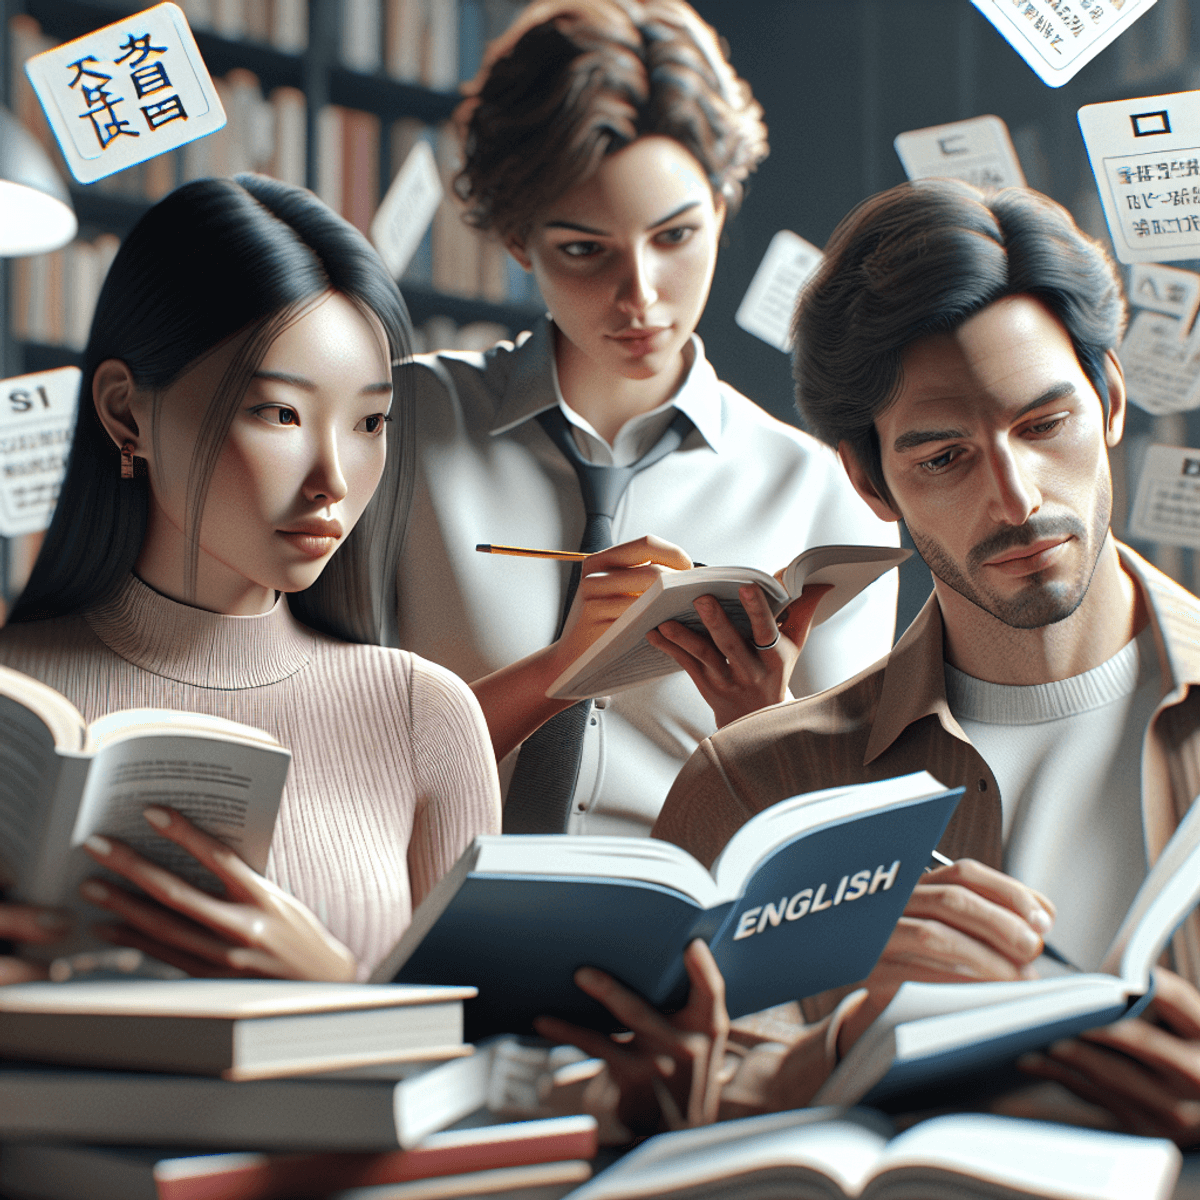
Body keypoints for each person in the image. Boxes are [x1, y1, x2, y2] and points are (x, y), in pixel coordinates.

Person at [551, 178, 1200, 1145]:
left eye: (1042, 425)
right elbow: (618, 1099)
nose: (1017, 499)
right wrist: (847, 1047)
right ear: (868, 479)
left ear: (1109, 400)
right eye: (944, 458)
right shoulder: (751, 782)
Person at [392, 0, 900, 836]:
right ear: (517, 241)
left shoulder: (825, 495)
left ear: (722, 208)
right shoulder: (401, 425)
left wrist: (758, 720)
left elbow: (840, 840)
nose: (640, 295)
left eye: (675, 236)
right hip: (426, 902)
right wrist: (559, 671)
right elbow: (336, 756)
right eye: (584, 250)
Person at [0, 175, 501, 984]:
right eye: (279, 413)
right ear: (126, 413)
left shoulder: (423, 715)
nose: (332, 479)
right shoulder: (11, 699)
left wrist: (331, 988)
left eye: (370, 422)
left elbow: (480, 1045)